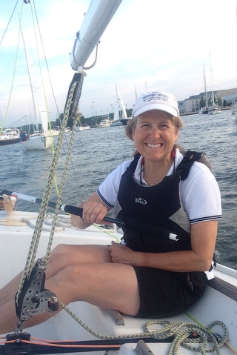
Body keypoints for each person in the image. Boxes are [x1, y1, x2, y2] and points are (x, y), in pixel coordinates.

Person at [0, 90, 222, 334]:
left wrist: (138, 259)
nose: (154, 134)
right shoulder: (126, 171)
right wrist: (88, 211)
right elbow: (77, 221)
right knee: (59, 255)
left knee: (73, 278)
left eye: (163, 125)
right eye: (145, 125)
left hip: (180, 282)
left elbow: (201, 259)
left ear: (176, 131)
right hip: (132, 257)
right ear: (133, 132)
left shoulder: (195, 176)